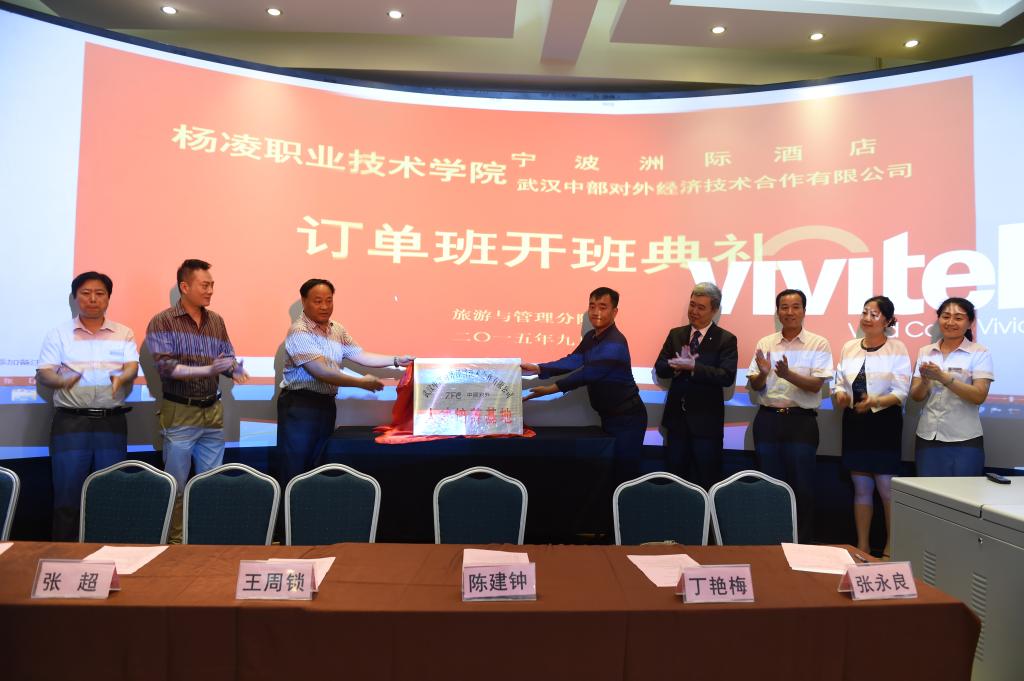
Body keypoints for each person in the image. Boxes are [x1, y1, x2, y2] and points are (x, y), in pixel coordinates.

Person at [146, 259, 248, 540]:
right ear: (184, 286)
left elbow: (226, 357)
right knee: (176, 486)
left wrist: (234, 369)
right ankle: (176, 544)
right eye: (205, 285)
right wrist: (208, 369)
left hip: (212, 411)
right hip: (180, 411)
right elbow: (166, 368)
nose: (210, 290)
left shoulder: (216, 320)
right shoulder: (163, 321)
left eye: (212, 285)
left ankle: (206, 540)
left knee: (211, 484)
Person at [276, 278, 413, 484]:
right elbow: (321, 371)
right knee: (295, 466)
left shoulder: (337, 329)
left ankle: (311, 503)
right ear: (304, 301)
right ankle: (288, 505)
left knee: (318, 463)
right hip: (300, 405)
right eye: (318, 301)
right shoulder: (299, 331)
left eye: (329, 300)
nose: (324, 306)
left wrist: (396, 360)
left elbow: (361, 355)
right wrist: (360, 382)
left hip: (326, 403)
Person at [36, 271, 139, 541]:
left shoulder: (123, 332)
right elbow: (44, 372)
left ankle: (110, 556)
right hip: (71, 423)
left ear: (108, 298)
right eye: (86, 293)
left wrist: (123, 378)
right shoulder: (58, 334)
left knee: (111, 494)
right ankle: (64, 557)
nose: (93, 299)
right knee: (67, 498)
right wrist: (61, 381)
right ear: (75, 297)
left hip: (111, 423)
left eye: (99, 293)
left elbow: (132, 366)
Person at [522, 287, 647, 484]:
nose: (596, 312)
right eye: (592, 306)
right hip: (610, 417)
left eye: (603, 307)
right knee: (610, 475)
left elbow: (588, 374)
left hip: (628, 419)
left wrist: (549, 389)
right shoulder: (591, 337)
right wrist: (538, 368)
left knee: (624, 477)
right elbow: (572, 361)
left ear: (614, 312)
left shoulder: (615, 342)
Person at [746, 288, 832, 543]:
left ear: (804, 311)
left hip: (800, 422)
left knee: (802, 487)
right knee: (768, 484)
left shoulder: (818, 343)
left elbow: (816, 385)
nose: (790, 312)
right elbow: (756, 385)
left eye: (795, 307)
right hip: (767, 420)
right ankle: (771, 542)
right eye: (784, 307)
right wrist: (763, 373)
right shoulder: (765, 343)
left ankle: (801, 544)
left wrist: (787, 375)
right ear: (777, 312)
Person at [832, 296, 911, 557]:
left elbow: (901, 392)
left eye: (874, 314)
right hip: (855, 421)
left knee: (887, 489)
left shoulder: (897, 348)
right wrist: (840, 395)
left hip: (884, 422)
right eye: (865, 312)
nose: (867, 318)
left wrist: (874, 401)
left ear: (887, 321)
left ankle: (890, 548)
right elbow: (839, 382)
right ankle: (863, 546)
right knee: (861, 488)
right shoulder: (849, 346)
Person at [654, 282, 738, 489]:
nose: (694, 311)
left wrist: (694, 367)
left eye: (701, 307)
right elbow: (660, 367)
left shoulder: (726, 339)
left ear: (714, 310)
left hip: (706, 423)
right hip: (677, 421)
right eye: (692, 305)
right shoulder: (676, 334)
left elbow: (726, 376)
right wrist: (675, 366)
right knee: (675, 481)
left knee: (706, 480)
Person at [910, 297, 994, 476]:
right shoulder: (925, 351)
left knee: (963, 492)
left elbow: (979, 396)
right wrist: (925, 380)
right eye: (946, 316)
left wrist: (942, 377)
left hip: (964, 438)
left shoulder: (980, 352)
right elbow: (916, 396)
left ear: (970, 323)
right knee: (927, 490)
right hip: (928, 436)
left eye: (958, 318)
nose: (950, 322)